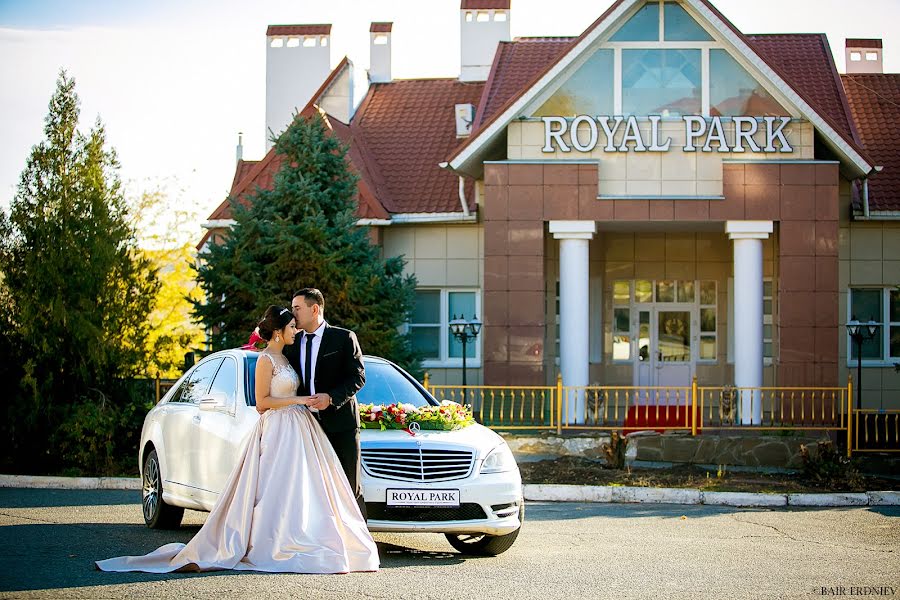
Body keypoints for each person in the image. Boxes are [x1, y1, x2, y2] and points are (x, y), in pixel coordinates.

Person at [96, 305, 379, 574]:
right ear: (279, 331)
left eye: (297, 318)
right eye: (291, 325)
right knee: (271, 490)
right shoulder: (266, 360)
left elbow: (342, 376)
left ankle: (305, 537)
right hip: (278, 429)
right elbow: (261, 402)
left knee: (304, 490)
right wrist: (300, 399)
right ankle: (274, 542)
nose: (296, 327)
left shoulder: (287, 357)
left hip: (301, 428)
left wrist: (310, 400)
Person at [283, 288, 367, 519]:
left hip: (341, 425)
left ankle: (359, 548)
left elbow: (358, 377)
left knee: (349, 487)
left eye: (297, 309)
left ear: (315, 309)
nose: (293, 315)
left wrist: (331, 397)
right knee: (310, 490)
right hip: (305, 426)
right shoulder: (292, 342)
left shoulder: (343, 337)